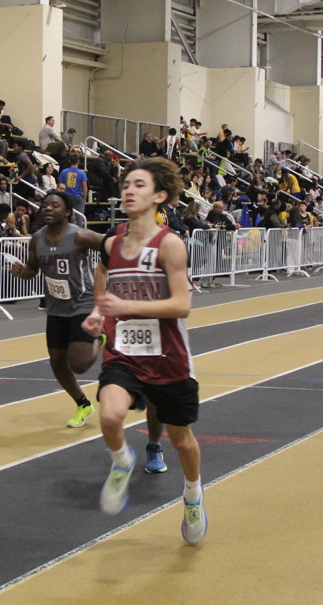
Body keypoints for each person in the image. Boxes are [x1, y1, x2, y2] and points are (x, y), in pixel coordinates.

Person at [81, 157, 206, 546]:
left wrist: (126, 306)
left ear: (159, 196)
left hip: (168, 357)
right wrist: (98, 312)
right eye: (126, 185)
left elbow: (182, 305)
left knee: (181, 440)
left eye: (139, 185)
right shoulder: (112, 243)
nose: (129, 191)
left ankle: (193, 495)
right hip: (124, 352)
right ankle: (122, 461)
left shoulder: (170, 244)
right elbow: (104, 277)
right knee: (109, 414)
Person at [10, 191, 104, 427]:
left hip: (83, 304)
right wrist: (23, 272)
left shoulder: (80, 236)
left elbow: (109, 244)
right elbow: (33, 269)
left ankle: (99, 338)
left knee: (79, 365)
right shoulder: (37, 238)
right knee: (57, 362)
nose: (48, 208)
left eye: (55, 205)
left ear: (68, 212)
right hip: (56, 308)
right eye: (45, 205)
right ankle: (83, 404)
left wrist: (108, 274)